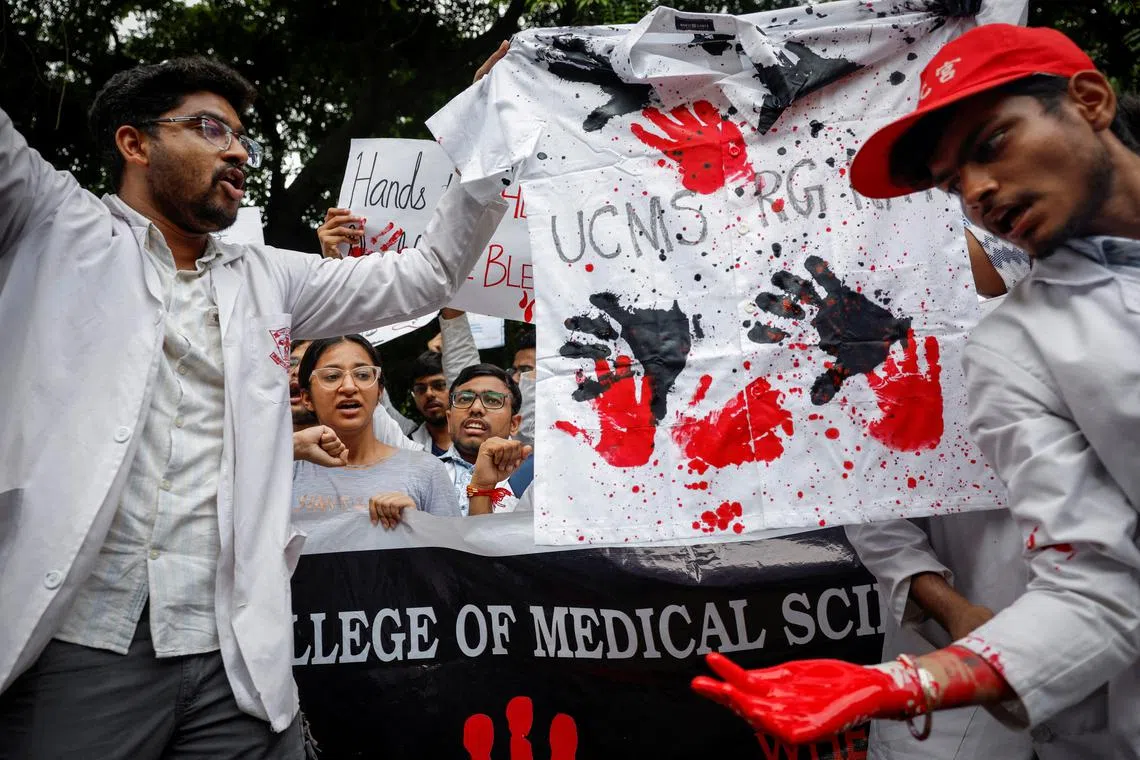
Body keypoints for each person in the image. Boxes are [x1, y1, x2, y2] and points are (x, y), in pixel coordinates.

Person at [0, 43, 510, 758]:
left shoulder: (270, 276)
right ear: (133, 142)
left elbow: (425, 278)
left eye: (243, 136)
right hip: (84, 642)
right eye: (211, 129)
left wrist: (492, 130)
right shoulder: (51, 222)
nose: (237, 151)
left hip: (237, 659)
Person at [691, 24, 1140, 755]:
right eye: (952, 182)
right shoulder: (1014, 350)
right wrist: (912, 682)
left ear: (1089, 99)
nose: (978, 194)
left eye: (991, 145)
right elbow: (1102, 584)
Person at [292, 335, 458, 529]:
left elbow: (455, 556)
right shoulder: (283, 471)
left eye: (362, 375)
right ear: (306, 398)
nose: (348, 387)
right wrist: (291, 448)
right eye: (332, 376)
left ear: (379, 392)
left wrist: (419, 526)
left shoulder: (426, 470)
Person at [440, 364, 531, 515]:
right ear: (449, 420)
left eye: (492, 400)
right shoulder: (420, 473)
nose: (476, 408)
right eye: (464, 399)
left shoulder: (536, 476)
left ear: (514, 424)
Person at [406, 350, 453, 455]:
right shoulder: (407, 448)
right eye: (421, 389)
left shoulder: (484, 439)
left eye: (439, 385)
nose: (429, 394)